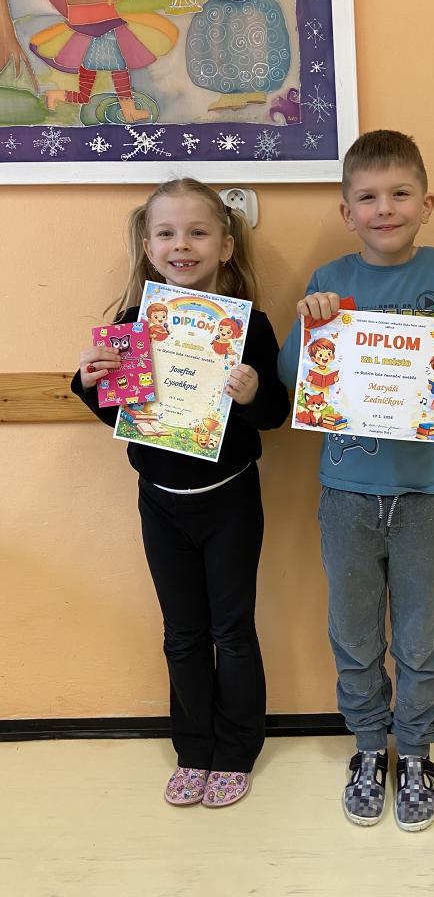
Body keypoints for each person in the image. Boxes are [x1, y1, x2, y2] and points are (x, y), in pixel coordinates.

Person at [278, 130, 434, 832]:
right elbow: (292, 380)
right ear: (347, 212)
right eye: (368, 198)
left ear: (426, 205)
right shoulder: (328, 279)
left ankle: (419, 752)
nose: (385, 209)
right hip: (346, 491)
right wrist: (308, 326)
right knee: (352, 630)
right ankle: (370, 746)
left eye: (400, 194)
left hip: (426, 494)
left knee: (421, 635)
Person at [71, 178, 289, 808]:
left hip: (230, 499)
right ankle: (193, 749)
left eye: (198, 232)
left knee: (233, 631)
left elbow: (275, 415)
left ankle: (237, 751)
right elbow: (122, 415)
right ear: (148, 247)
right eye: (166, 233)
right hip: (160, 501)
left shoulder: (250, 327)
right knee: (182, 633)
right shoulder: (132, 324)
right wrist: (89, 382)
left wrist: (253, 394)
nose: (182, 245)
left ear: (226, 245)